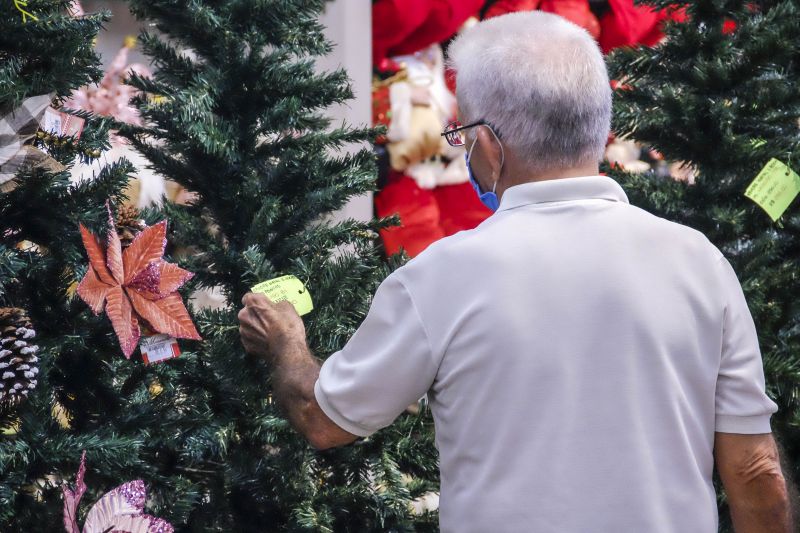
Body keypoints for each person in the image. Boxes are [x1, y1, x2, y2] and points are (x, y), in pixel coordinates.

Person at [238, 11, 793, 532]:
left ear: (488, 145)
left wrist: (286, 341)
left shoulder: (442, 277)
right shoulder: (699, 262)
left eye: (461, 139)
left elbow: (322, 417)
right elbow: (756, 473)